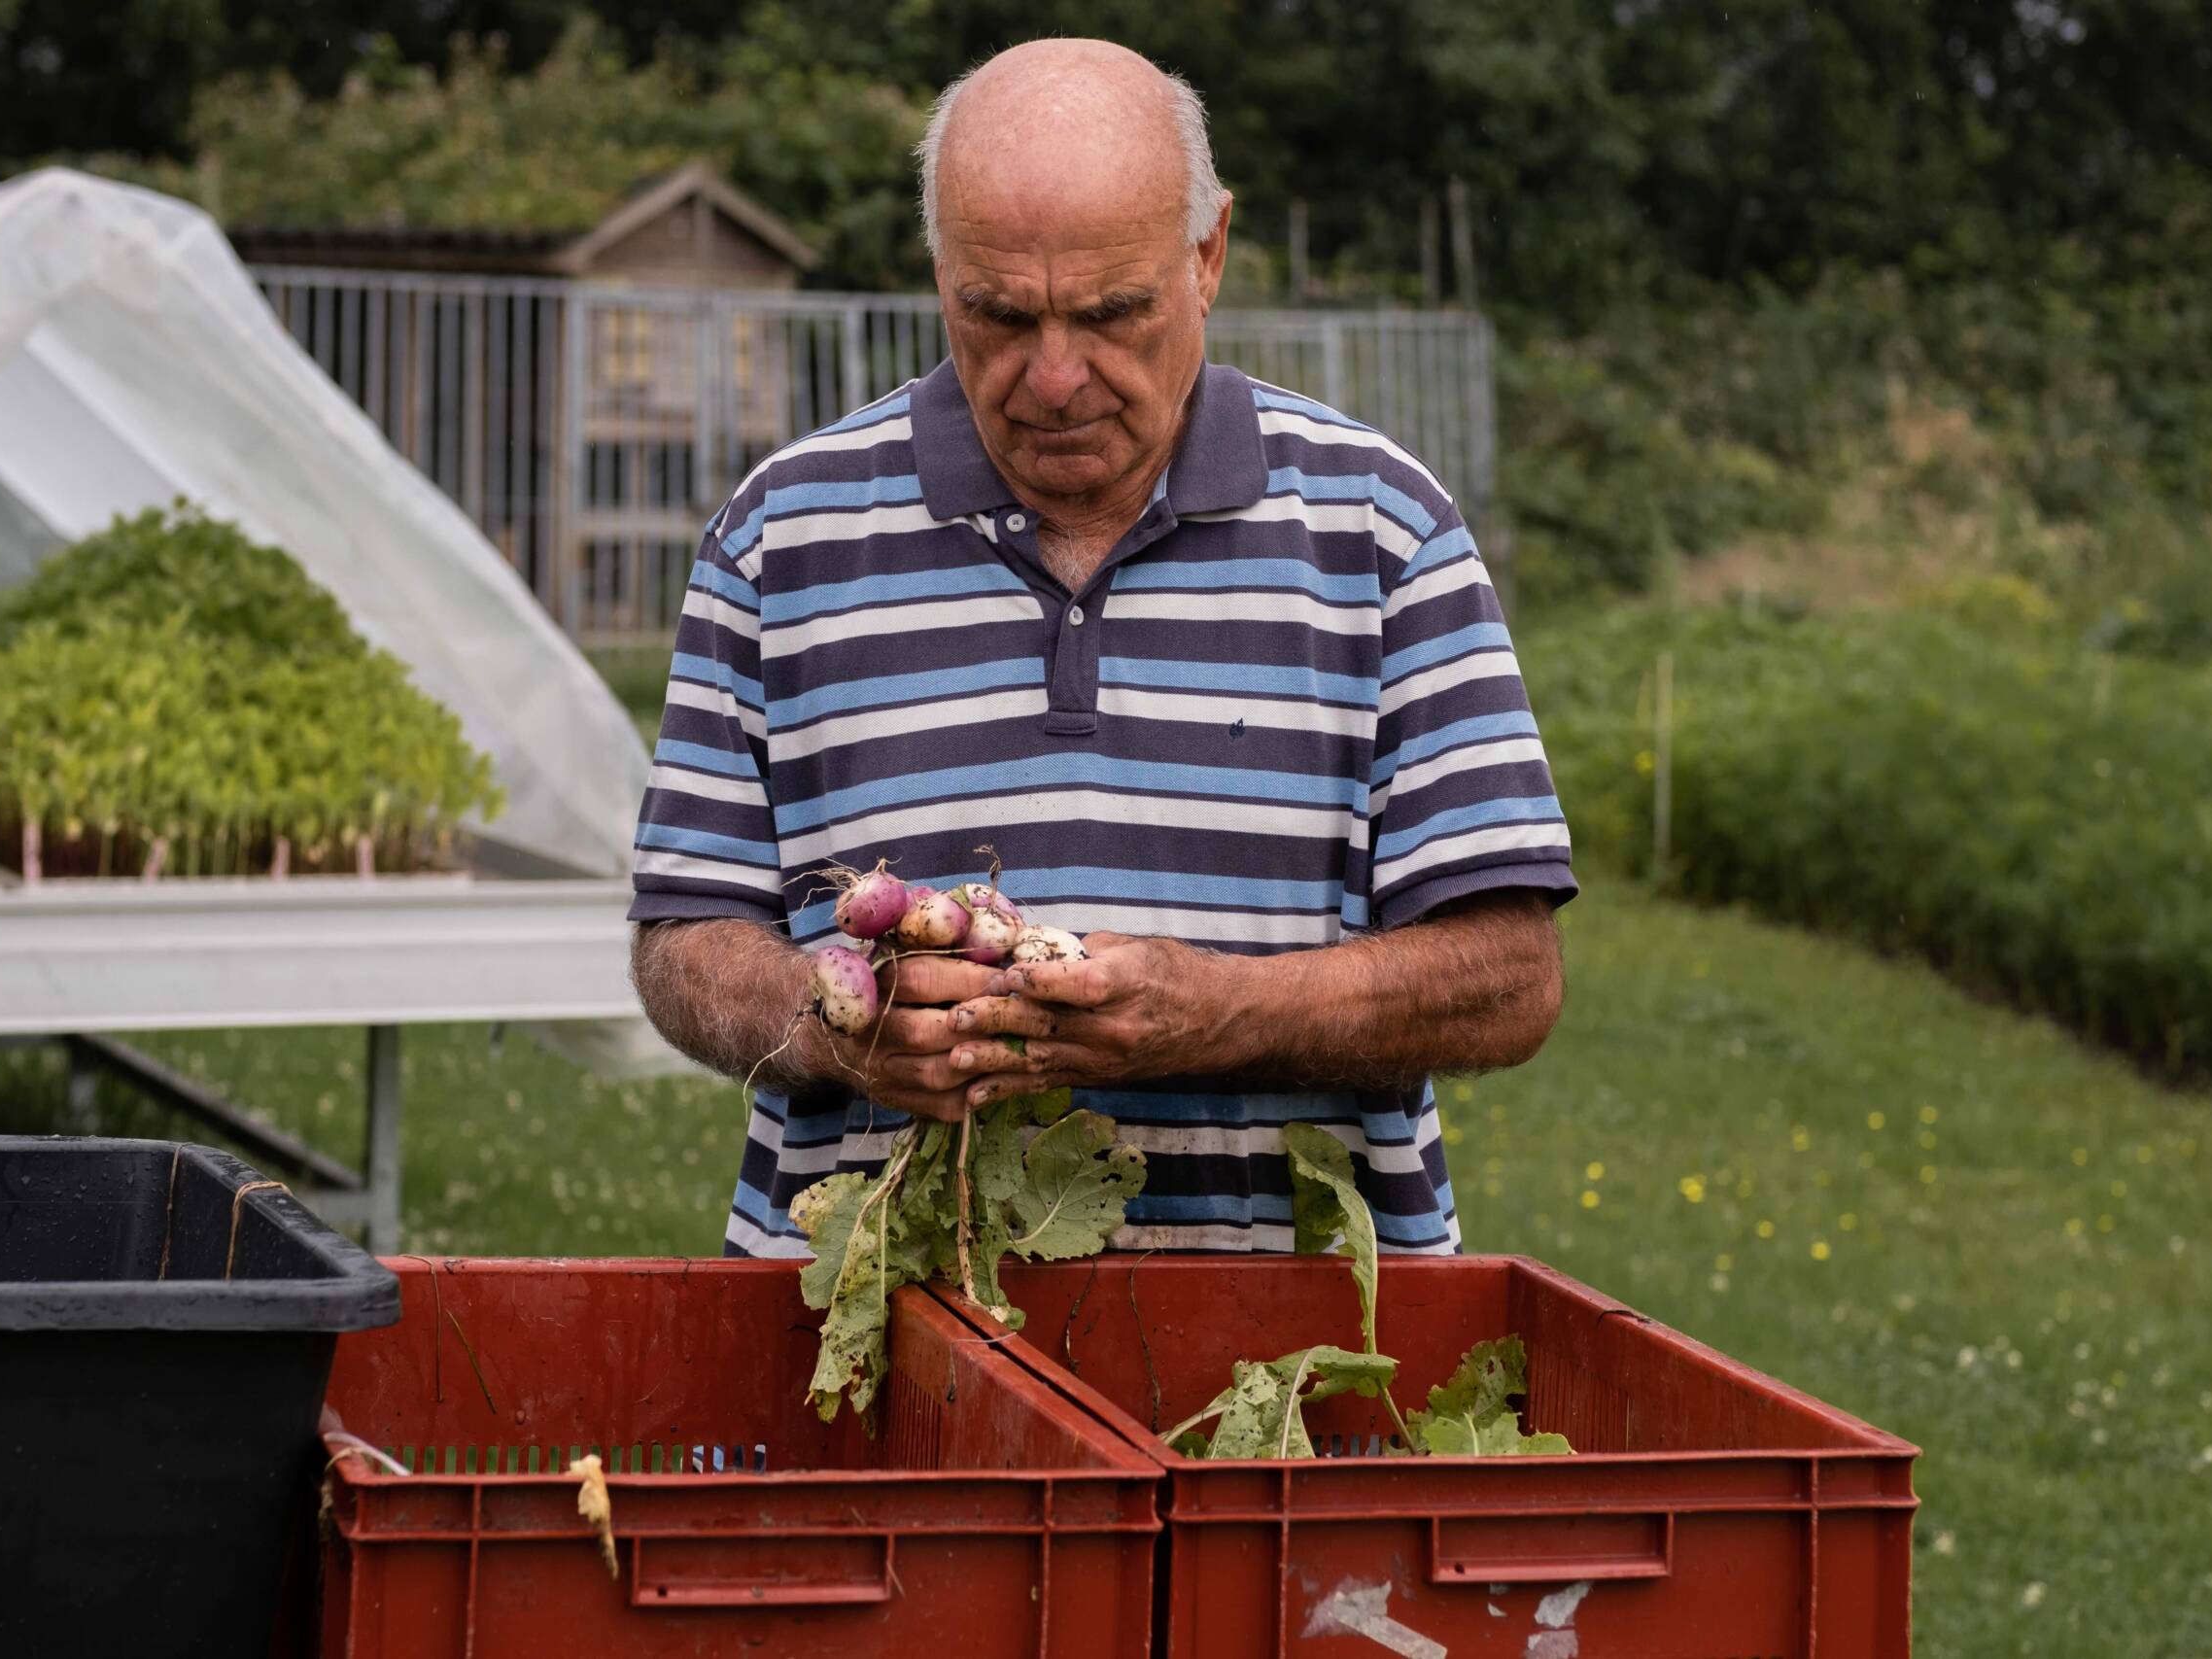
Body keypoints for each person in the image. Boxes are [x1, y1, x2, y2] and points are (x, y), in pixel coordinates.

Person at [628, 38, 1573, 1259]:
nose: (1056, 376)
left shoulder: (1381, 532)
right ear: (940, 275)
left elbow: (1509, 976)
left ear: (1207, 255)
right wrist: (832, 1024)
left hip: (1287, 1376)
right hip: (867, 1338)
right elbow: (682, 942)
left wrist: (1223, 1010)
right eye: (999, 316)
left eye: (1113, 314)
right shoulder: (782, 536)